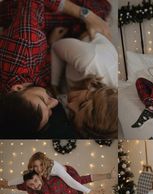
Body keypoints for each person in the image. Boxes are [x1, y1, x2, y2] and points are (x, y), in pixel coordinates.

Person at [0, 0, 111, 137]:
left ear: (18, 88)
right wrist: (51, 44)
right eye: (50, 111)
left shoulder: (28, 43)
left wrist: (86, 15)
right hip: (38, 34)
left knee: (101, 9)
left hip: (15, 13)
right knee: (100, 11)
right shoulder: (23, 100)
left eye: (44, 100)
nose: (56, 102)